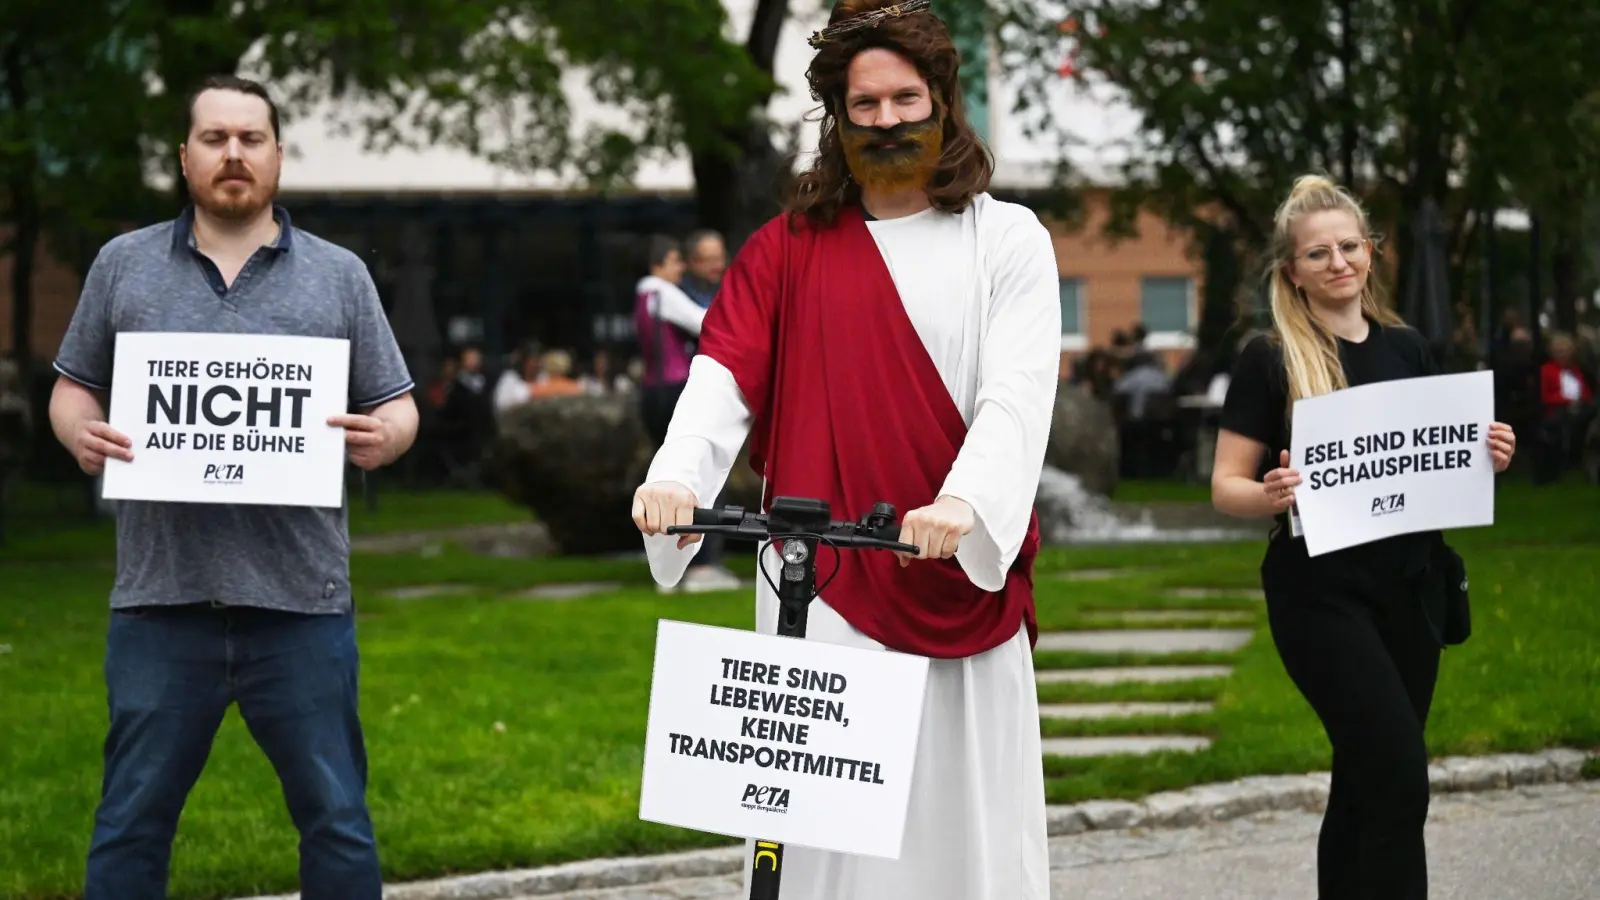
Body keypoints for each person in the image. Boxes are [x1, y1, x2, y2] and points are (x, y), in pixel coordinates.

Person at [631, 0, 1058, 896]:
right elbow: (722, 375)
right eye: (864, 106)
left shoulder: (1008, 240)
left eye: (905, 98)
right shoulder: (785, 248)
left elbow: (1015, 397)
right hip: (816, 582)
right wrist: (673, 478)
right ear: (838, 116)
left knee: (958, 834)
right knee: (820, 848)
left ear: (941, 98)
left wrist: (964, 505)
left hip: (953, 573)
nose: (888, 121)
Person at [48, 75, 418, 900]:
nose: (234, 154)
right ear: (185, 158)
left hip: (301, 606)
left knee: (336, 822)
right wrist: (79, 429)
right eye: (215, 139)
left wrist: (385, 436)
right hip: (159, 603)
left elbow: (397, 403)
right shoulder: (124, 265)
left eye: (252, 138)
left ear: (278, 155)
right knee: (130, 825)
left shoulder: (339, 275)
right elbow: (73, 385)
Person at [1210, 174, 1516, 900]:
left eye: (1349, 246)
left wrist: (1489, 454)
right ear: (1293, 270)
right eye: (1318, 254)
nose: (1338, 262)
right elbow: (1227, 485)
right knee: (1398, 771)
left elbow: (1433, 460)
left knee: (1366, 777)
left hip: (1411, 588)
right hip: (1321, 595)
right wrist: (1270, 494)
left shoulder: (1407, 348)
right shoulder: (1270, 356)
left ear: (1372, 254)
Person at [634, 233, 740, 593]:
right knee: (697, 471)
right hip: (674, 389)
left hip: (652, 390)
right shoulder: (660, 291)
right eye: (676, 261)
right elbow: (704, 320)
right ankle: (701, 566)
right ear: (659, 264)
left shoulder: (644, 296)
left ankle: (668, 562)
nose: (681, 268)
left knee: (666, 476)